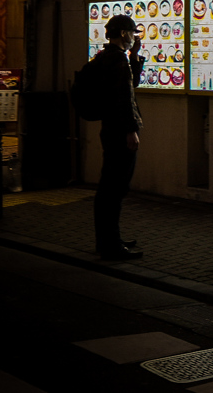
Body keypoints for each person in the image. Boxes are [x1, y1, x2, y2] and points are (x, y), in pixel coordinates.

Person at [94, 14, 145, 261]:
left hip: (110, 130)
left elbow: (129, 86)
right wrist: (131, 130)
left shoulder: (107, 57)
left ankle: (109, 239)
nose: (134, 36)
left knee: (110, 189)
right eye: (133, 32)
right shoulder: (116, 60)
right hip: (119, 133)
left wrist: (134, 57)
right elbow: (124, 98)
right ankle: (110, 245)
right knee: (114, 189)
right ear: (124, 33)